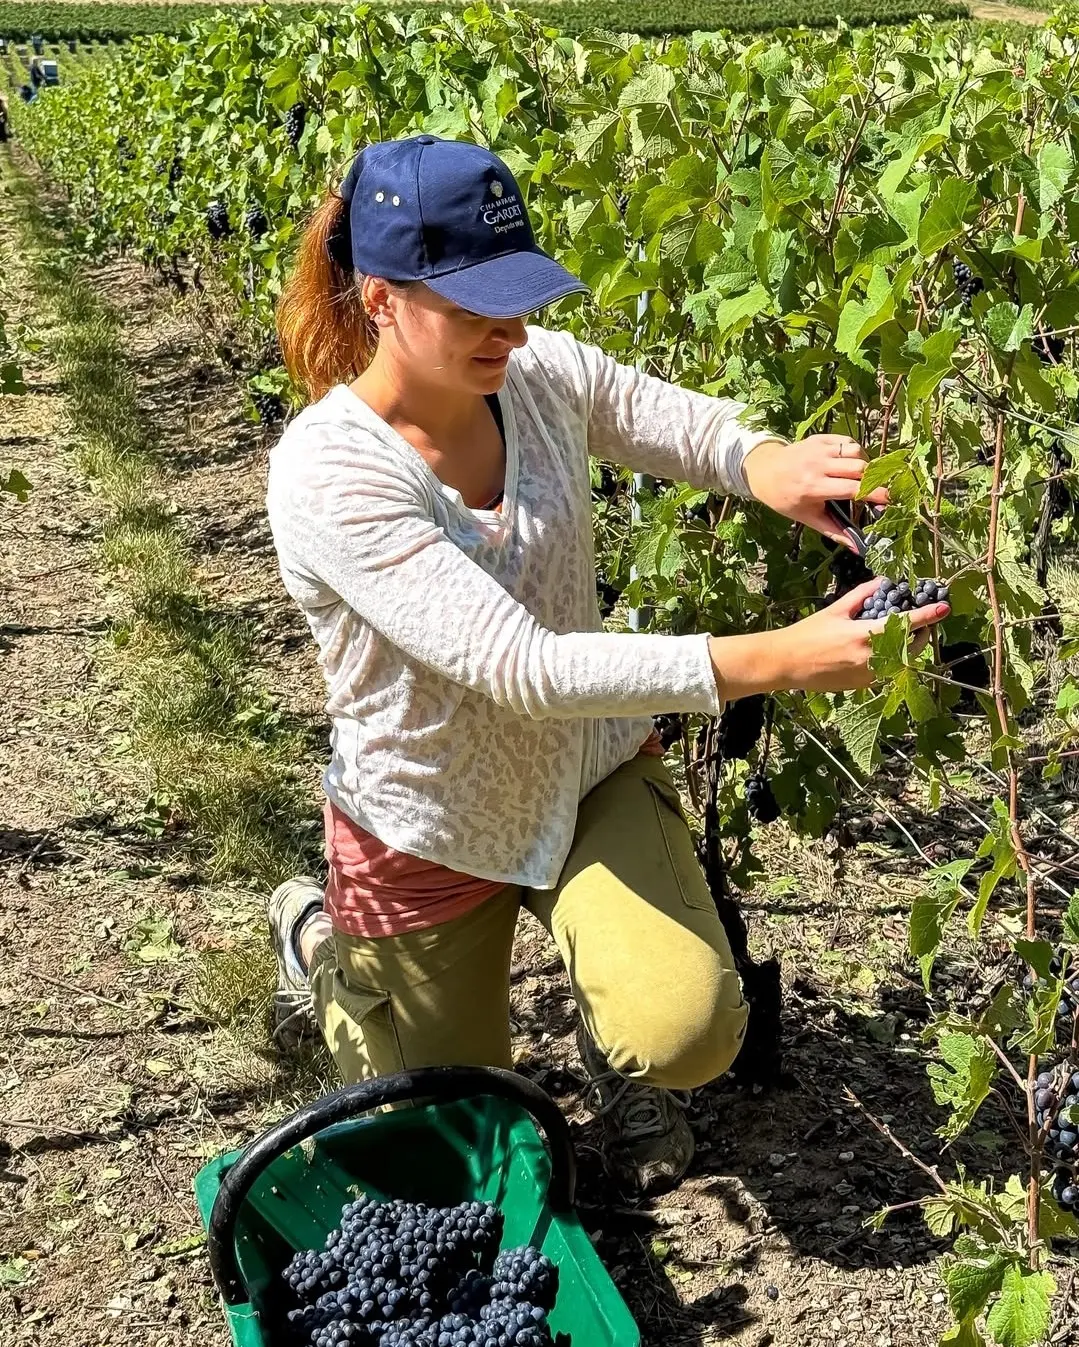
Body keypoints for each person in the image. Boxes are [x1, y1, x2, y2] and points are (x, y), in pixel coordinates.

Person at [264, 134, 948, 1193]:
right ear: (380, 296)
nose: (514, 328)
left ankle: (615, 1042)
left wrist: (765, 464)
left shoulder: (536, 375)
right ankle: (320, 944)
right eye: (474, 306)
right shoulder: (328, 472)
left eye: (520, 294)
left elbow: (667, 419)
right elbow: (522, 666)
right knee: (443, 1157)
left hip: (588, 778)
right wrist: (776, 658)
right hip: (430, 818)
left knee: (684, 1031)